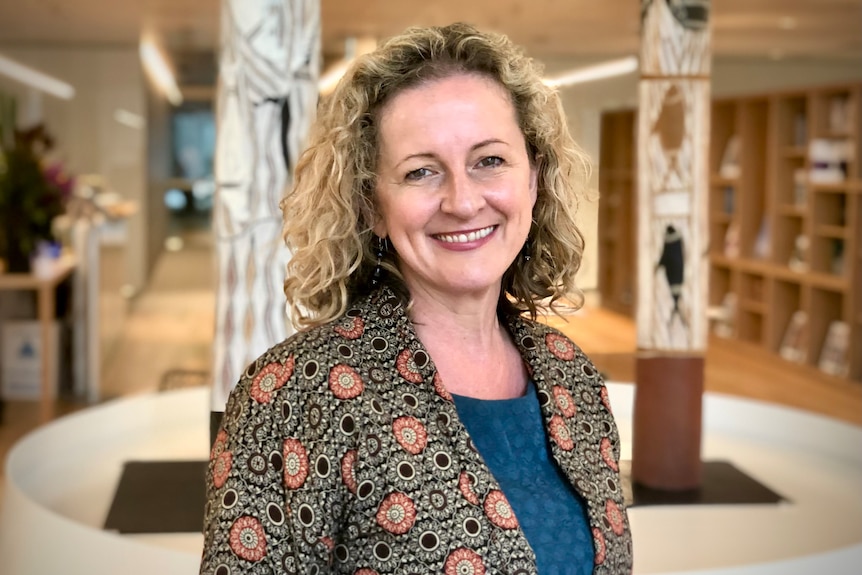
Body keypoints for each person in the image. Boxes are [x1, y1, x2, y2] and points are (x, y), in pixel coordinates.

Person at [201, 23, 632, 575]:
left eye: (490, 161)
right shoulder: (293, 393)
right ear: (372, 207)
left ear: (534, 179)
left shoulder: (573, 378)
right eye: (421, 172)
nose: (462, 200)